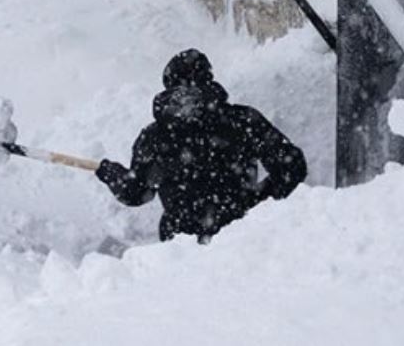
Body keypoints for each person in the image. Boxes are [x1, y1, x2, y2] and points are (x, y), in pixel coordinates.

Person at [95, 49, 307, 243]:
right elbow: (291, 167)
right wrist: (261, 201)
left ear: (168, 85)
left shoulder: (154, 136)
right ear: (208, 77)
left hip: (181, 247)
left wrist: (112, 174)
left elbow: (136, 192)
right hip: (243, 237)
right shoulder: (242, 120)